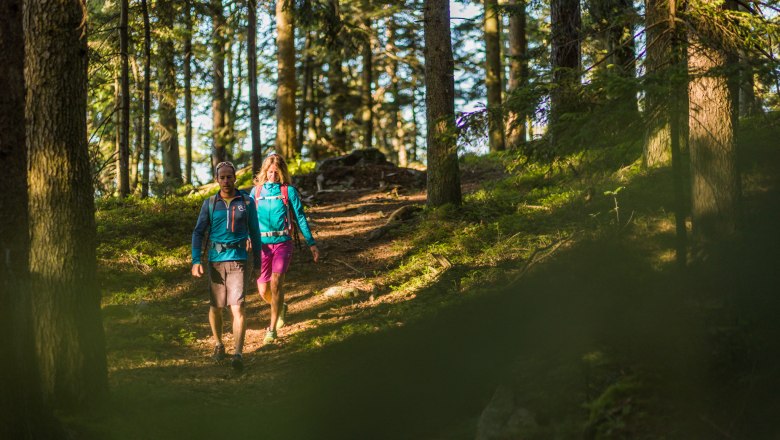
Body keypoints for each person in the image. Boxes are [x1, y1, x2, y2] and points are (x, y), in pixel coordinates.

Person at [192, 161, 262, 371]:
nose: (225, 181)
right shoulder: (210, 203)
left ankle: (238, 353)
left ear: (235, 178)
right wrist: (196, 260)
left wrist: (258, 262)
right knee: (216, 307)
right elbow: (198, 232)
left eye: (229, 177)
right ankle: (218, 344)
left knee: (237, 306)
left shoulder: (247, 202)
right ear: (216, 179)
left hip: (239, 259)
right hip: (215, 261)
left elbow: (255, 232)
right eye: (221, 177)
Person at [251, 153, 319, 344]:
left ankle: (271, 329)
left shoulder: (288, 191)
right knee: (263, 289)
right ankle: (281, 305)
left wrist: (311, 244)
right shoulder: (256, 192)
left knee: (276, 283)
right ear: (265, 171)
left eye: (276, 172)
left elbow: (300, 218)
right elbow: (247, 218)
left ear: (282, 173)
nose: (273, 175)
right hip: (263, 245)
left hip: (283, 243)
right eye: (270, 172)